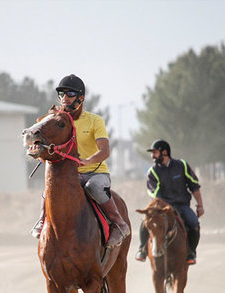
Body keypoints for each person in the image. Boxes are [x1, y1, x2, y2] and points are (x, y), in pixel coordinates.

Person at [31, 74, 130, 247]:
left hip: (95, 173)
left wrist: (88, 161)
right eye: (61, 94)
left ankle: (119, 224)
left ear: (81, 98)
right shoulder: (57, 120)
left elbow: (105, 151)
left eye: (69, 94)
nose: (64, 98)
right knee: (50, 188)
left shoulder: (95, 121)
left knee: (94, 187)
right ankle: (42, 220)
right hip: (71, 175)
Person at [136, 139, 204, 265]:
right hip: (162, 207)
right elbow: (153, 192)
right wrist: (164, 207)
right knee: (144, 223)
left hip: (182, 205)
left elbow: (194, 186)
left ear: (165, 152)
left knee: (194, 223)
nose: (152, 156)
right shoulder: (152, 171)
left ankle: (191, 252)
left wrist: (200, 205)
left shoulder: (182, 165)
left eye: (155, 153)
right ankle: (142, 249)